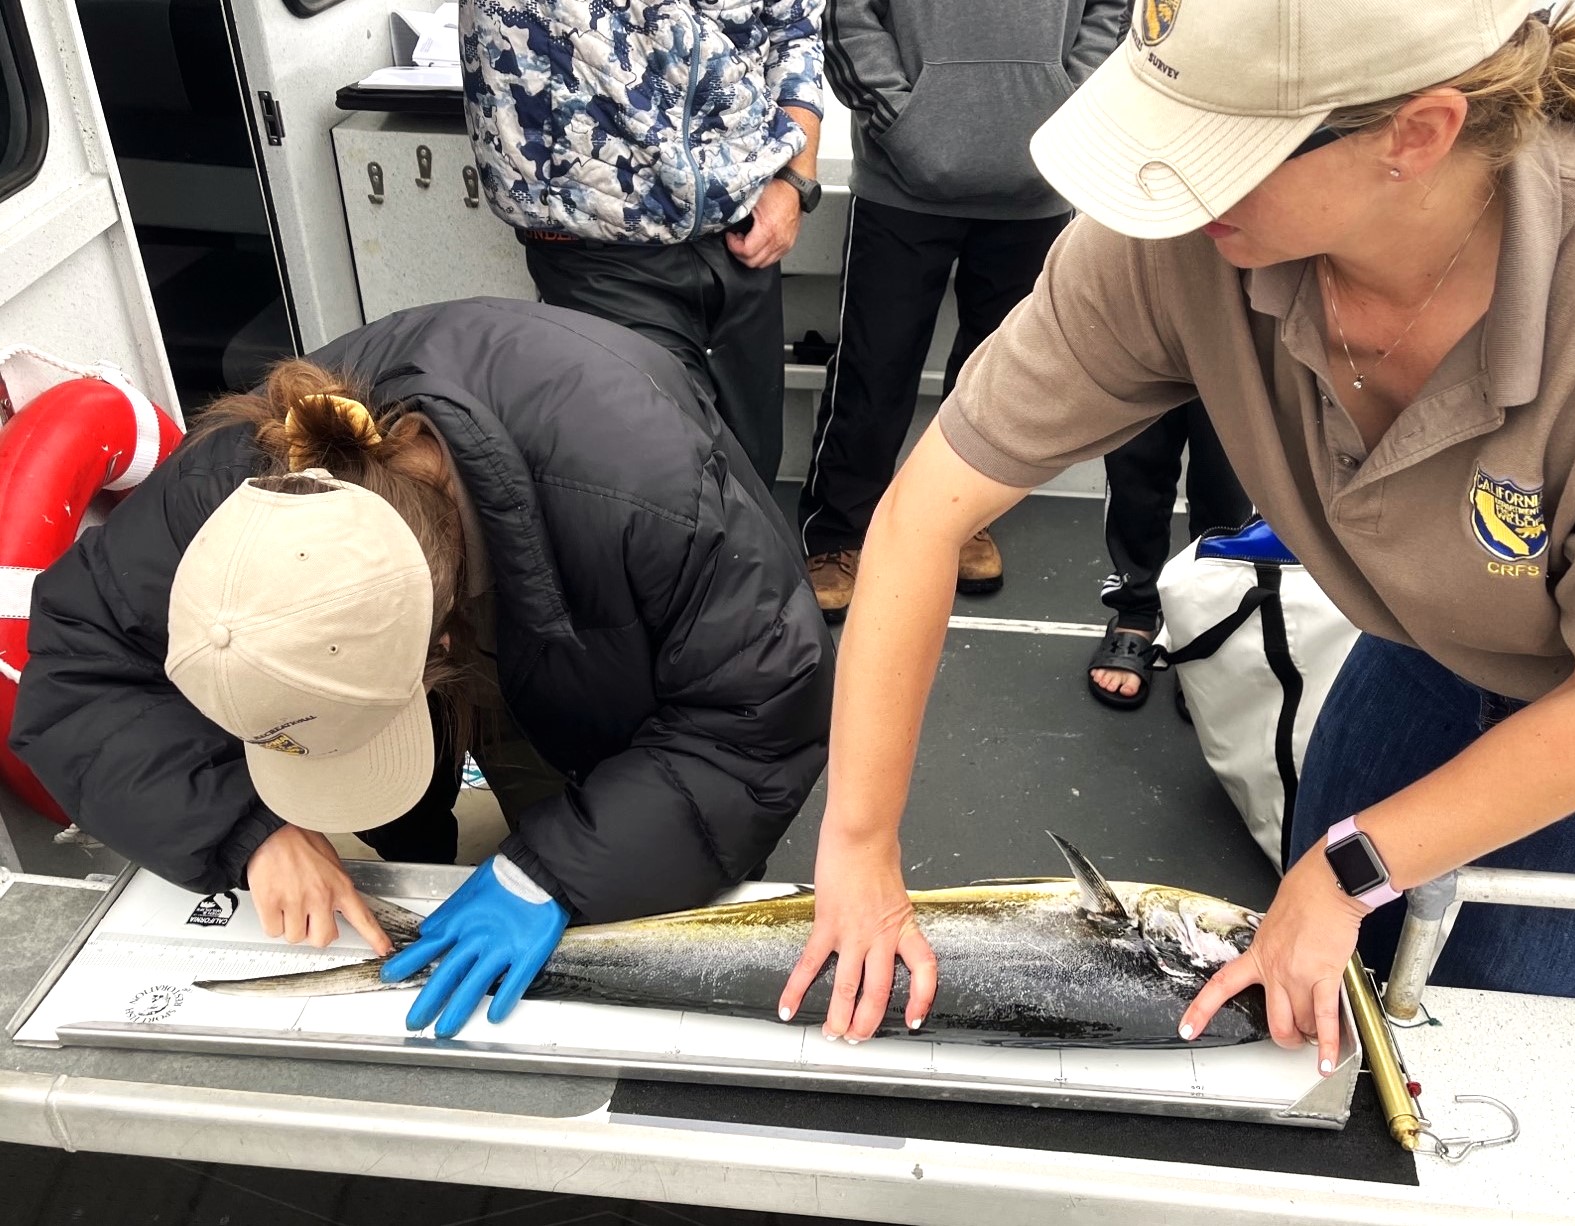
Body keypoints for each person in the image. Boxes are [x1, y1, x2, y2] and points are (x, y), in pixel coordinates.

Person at [776, 0, 1575, 1078]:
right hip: (1427, 639)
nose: (1158, 177)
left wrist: (1347, 870)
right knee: (1318, 999)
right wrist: (858, 843)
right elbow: (923, 515)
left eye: (1222, 144)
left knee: (1522, 1055)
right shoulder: (1178, 232)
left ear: (1417, 132)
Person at [12, 298, 834, 1039]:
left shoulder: (655, 496)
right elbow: (79, 660)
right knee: (436, 835)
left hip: (593, 603)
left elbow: (754, 721)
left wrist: (557, 872)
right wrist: (246, 831)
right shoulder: (229, 486)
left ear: (445, 647)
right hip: (470, 556)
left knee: (608, 846)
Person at [797, 0, 1126, 618]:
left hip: (1035, 189)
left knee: (999, 377)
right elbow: (849, 18)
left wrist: (1060, 111)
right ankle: (839, 533)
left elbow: (1113, 13)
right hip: (899, 186)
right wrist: (908, 123)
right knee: (875, 367)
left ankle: (960, 516)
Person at [461, 0, 828, 487]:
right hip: (598, 251)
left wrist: (794, 179)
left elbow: (794, 29)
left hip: (745, 226)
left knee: (754, 468)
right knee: (669, 485)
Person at [1087, 401, 1251, 709]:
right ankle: (1136, 613)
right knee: (1135, 460)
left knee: (1226, 481)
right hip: (1143, 351)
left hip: (1237, 355)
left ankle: (1209, 625)